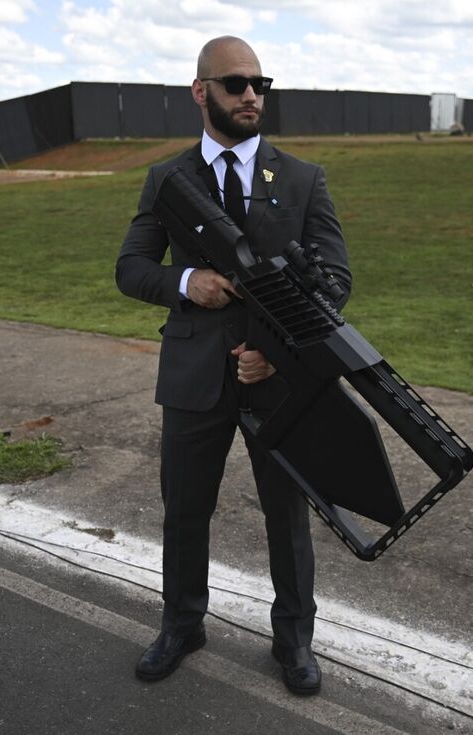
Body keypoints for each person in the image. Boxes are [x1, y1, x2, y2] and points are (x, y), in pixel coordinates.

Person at [115, 36, 351, 696]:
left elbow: (335, 279)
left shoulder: (302, 177)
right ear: (202, 93)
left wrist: (275, 354)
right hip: (192, 377)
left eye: (260, 84)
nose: (252, 94)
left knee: (288, 515)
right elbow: (131, 269)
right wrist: (186, 280)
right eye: (236, 84)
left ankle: (293, 639)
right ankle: (182, 623)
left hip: (280, 384)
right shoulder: (168, 179)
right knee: (185, 511)